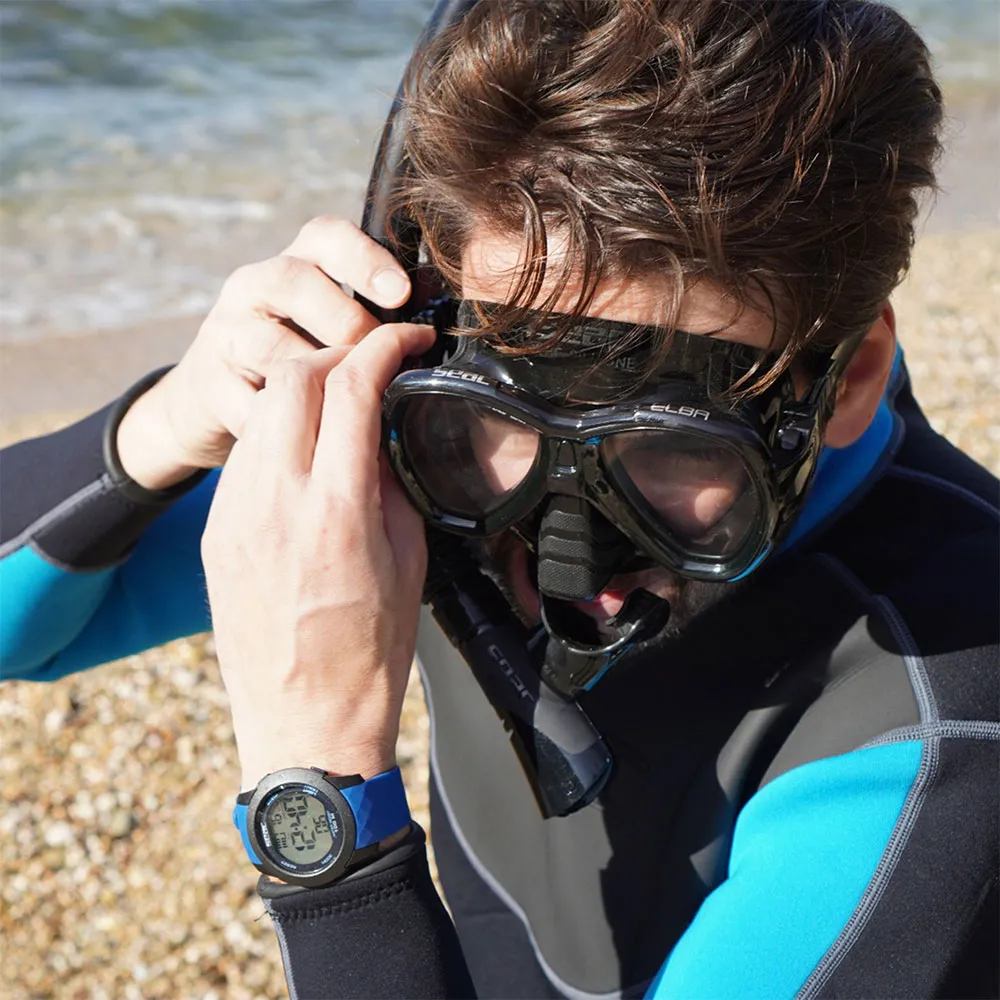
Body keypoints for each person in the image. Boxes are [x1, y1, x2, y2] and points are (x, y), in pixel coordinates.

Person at [2, 1, 997, 997]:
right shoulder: (417, 454)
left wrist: (319, 780)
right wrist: (163, 427)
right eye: (499, 420)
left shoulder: (940, 720)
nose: (567, 556)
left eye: (670, 447)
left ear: (849, 377)